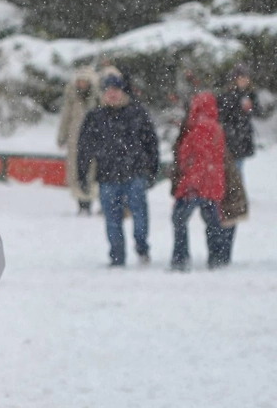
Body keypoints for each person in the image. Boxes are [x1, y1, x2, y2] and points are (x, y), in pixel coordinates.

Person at [77, 74, 160, 266]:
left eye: (115, 90)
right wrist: (82, 173)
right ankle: (117, 255)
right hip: (108, 175)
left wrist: (152, 170)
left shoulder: (137, 113)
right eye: (108, 91)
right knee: (112, 219)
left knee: (140, 216)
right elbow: (85, 148)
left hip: (135, 173)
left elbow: (151, 143)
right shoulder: (95, 117)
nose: (111, 94)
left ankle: (142, 246)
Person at [170, 93, 232, 271]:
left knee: (179, 219)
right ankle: (216, 257)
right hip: (212, 184)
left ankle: (180, 258)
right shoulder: (217, 127)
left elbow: (185, 155)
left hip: (193, 184)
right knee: (213, 223)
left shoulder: (197, 126)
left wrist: (186, 175)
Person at [57, 66, 100, 214]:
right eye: (79, 81)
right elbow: (66, 118)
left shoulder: (96, 99)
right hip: (74, 139)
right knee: (75, 171)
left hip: (94, 139)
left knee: (92, 171)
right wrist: (62, 136)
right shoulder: (72, 98)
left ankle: (89, 201)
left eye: (84, 81)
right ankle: (80, 203)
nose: (82, 84)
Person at [217, 64, 258, 177]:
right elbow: (223, 114)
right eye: (241, 77)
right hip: (232, 136)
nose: (245, 80)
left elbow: (258, 112)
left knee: (237, 168)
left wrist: (251, 107)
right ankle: (235, 193)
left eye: (246, 77)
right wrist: (240, 109)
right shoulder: (228, 95)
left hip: (242, 136)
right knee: (234, 170)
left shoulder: (250, 94)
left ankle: (236, 192)